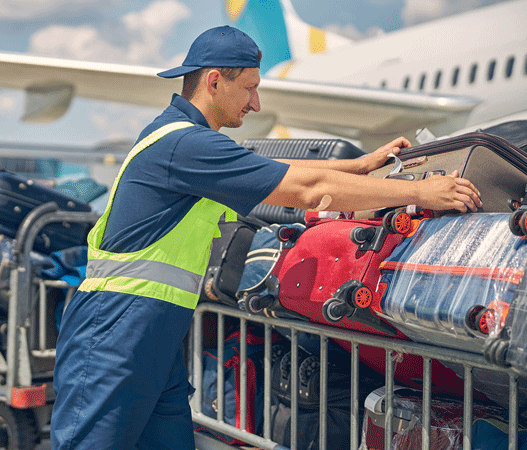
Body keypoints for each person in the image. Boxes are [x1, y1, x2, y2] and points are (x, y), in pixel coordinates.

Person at [50, 25, 481, 450]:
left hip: (152, 333)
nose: (256, 104)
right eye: (250, 88)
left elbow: (284, 172)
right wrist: (419, 191)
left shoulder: (185, 141)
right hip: (115, 329)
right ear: (215, 81)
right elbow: (305, 189)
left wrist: (359, 166)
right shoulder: (185, 146)